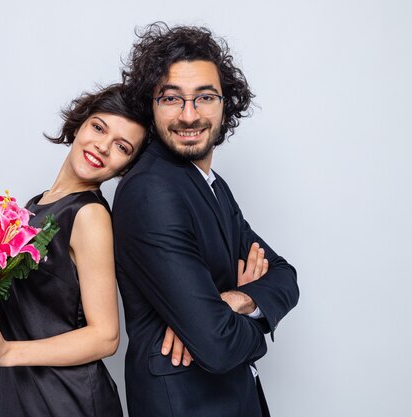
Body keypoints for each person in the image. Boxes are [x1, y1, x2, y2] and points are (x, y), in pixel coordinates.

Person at [113, 22, 300, 416]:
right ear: (151, 105)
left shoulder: (211, 183)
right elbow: (215, 344)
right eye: (171, 99)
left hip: (229, 398)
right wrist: (240, 324)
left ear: (225, 104)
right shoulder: (151, 190)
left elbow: (284, 275)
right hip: (187, 404)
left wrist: (237, 300)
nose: (189, 115)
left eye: (205, 97)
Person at [0, 84, 146, 417]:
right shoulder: (34, 206)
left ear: (125, 168)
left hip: (68, 400)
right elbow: (28, 307)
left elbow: (106, 337)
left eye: (121, 147)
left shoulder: (89, 215)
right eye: (99, 127)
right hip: (26, 393)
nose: (102, 146)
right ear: (79, 124)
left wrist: (7, 353)